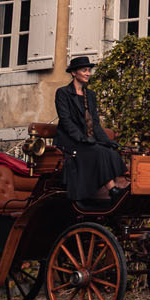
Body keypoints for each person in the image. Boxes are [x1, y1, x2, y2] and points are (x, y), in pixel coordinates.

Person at [54, 55, 129, 202]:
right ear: (74, 73)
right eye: (84, 70)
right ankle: (112, 190)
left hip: (87, 140)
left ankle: (118, 187)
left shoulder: (90, 95)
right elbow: (66, 120)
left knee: (110, 152)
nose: (88, 73)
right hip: (70, 141)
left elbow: (95, 123)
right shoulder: (63, 93)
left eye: (89, 70)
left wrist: (107, 141)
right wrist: (81, 138)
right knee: (98, 152)